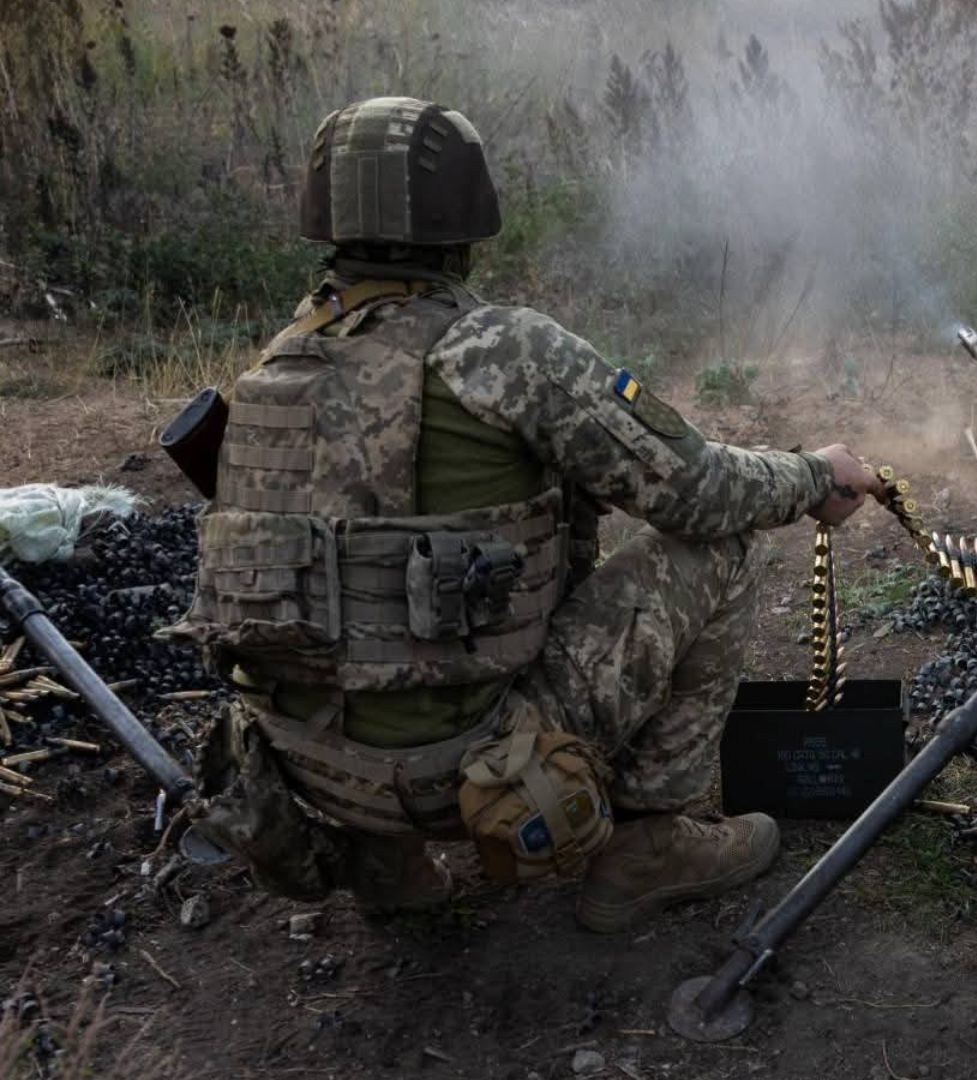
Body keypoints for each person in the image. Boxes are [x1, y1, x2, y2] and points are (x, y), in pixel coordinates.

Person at [164, 96, 884, 930]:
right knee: (722, 551)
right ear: (466, 215)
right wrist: (810, 474)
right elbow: (698, 490)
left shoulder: (271, 372)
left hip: (305, 775)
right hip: (472, 776)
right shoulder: (499, 351)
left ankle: (388, 865)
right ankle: (650, 844)